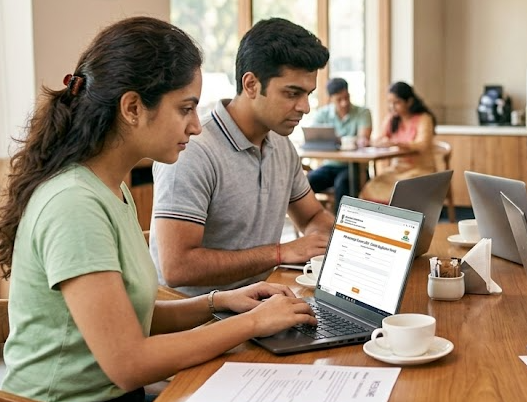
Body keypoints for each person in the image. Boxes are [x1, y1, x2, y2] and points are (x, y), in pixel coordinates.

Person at [0, 17, 316, 402]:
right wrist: (254, 323)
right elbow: (129, 364)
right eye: (185, 109)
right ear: (132, 108)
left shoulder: (111, 189)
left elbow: (130, 315)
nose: (195, 126)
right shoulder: (74, 204)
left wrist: (217, 303)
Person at [151, 17, 334, 296]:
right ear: (250, 84)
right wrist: (279, 253)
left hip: (262, 301)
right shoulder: (194, 150)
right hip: (199, 320)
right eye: (292, 93)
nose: (305, 107)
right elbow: (176, 268)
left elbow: (312, 216)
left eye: (308, 93)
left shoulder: (281, 145)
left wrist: (328, 241)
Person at [359, 82, 436, 204]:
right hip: (397, 169)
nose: (392, 106)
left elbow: (422, 145)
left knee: (399, 189)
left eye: (396, 102)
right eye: (389, 102)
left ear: (409, 102)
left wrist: (396, 143)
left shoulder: (424, 118)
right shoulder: (392, 118)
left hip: (420, 170)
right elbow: (380, 139)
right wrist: (374, 142)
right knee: (372, 186)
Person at [306, 77, 372, 206]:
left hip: (354, 167)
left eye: (346, 97)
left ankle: (340, 225)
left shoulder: (363, 112)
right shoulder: (322, 114)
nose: (344, 103)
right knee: (307, 182)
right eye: (339, 99)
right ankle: (309, 221)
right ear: (330, 99)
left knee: (343, 183)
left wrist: (338, 140)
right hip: (330, 165)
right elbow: (314, 138)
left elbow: (363, 139)